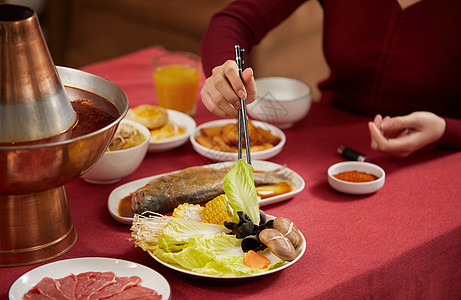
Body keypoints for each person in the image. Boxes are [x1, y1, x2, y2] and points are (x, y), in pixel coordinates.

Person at [199, 0, 461, 158]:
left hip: (439, 156)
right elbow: (235, 20)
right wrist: (224, 69)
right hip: (327, 142)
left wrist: (446, 130)